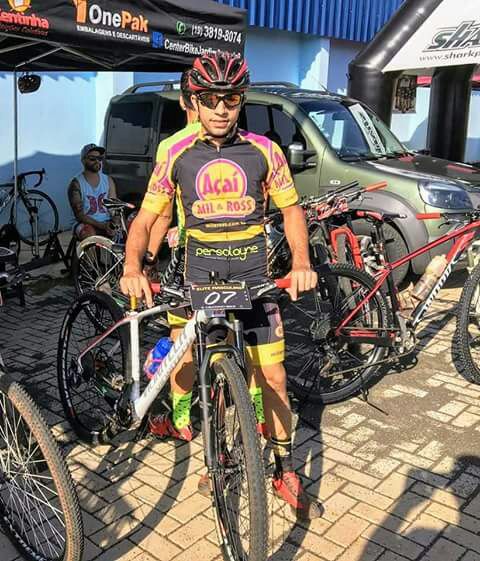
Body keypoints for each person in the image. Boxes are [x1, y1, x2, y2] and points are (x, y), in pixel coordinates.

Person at [120, 53, 321, 519]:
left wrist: (302, 262)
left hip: (253, 280)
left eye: (230, 99)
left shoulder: (265, 150)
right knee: (196, 368)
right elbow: (148, 217)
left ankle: (283, 467)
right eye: (210, 99)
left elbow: (292, 211)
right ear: (194, 100)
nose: (220, 109)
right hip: (198, 280)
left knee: (274, 377)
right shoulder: (175, 151)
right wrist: (134, 265)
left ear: (241, 100)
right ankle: (202, 441)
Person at [68, 144, 117, 240]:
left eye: (99, 158)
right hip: (84, 223)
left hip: (105, 221)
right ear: (83, 160)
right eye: (92, 159)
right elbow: (79, 216)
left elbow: (114, 207)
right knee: (89, 234)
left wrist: (116, 222)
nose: (97, 161)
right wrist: (102, 226)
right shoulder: (76, 184)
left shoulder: (108, 180)